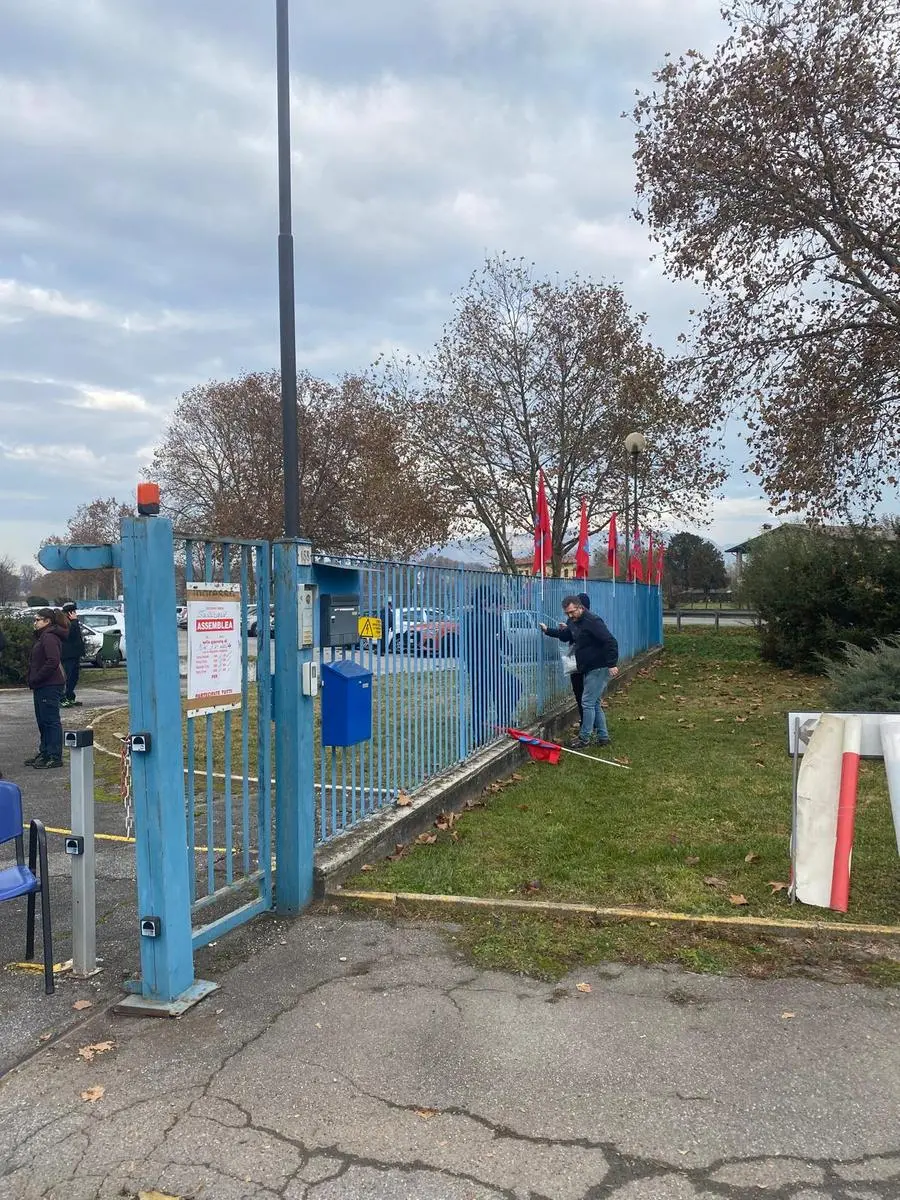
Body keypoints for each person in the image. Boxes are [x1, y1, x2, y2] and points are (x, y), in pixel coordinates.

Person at [540, 594, 619, 749]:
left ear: (580, 607)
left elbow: (610, 641)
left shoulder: (593, 621)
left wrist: (611, 664)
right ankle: (603, 737)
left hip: (599, 665)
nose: (570, 616)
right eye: (567, 613)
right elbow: (566, 635)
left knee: (587, 702)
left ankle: (584, 739)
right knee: (594, 703)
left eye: (572, 612)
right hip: (587, 666)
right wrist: (548, 630)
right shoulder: (574, 622)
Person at [25, 608, 68, 769]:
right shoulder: (43, 636)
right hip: (41, 685)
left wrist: (37, 677)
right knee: (42, 720)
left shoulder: (49, 637)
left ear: (47, 621)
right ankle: (44, 751)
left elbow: (53, 661)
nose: (35, 622)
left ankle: (54, 755)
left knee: (50, 721)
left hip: (49, 685)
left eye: (38, 619)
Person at [60, 601, 85, 707]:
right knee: (67, 677)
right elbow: (71, 635)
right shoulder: (64, 624)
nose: (74, 613)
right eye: (72, 611)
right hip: (67, 655)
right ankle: (62, 698)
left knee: (74, 677)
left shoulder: (74, 622)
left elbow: (78, 638)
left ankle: (70, 696)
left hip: (75, 654)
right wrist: (74, 622)